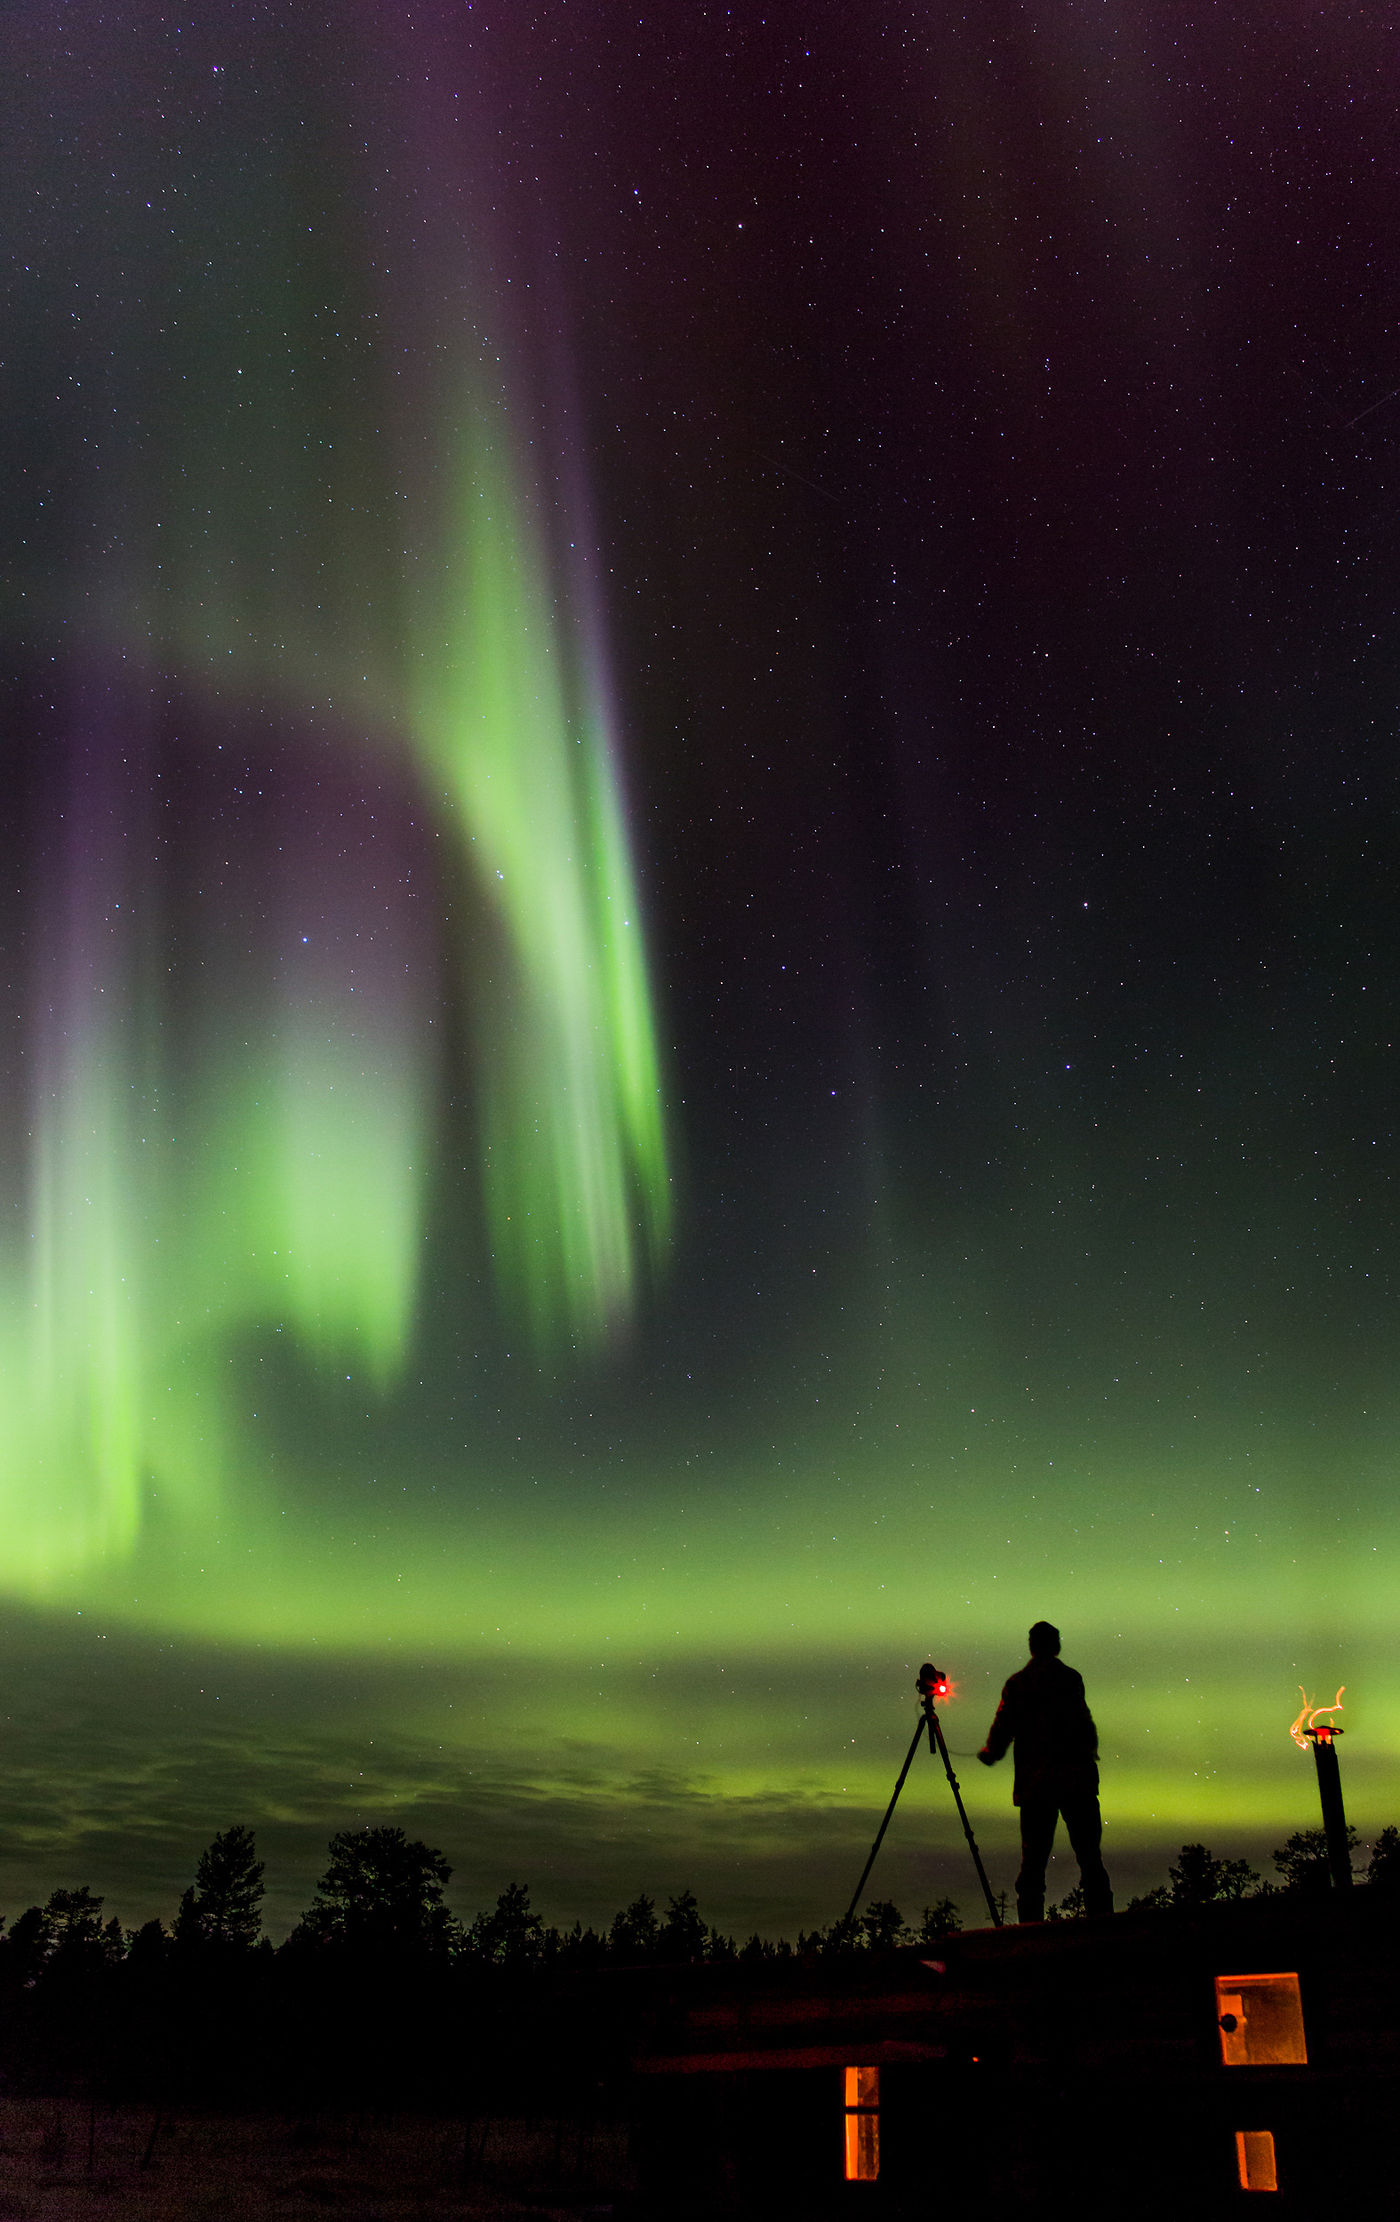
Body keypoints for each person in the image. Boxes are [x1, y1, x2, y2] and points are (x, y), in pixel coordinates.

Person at [978, 1621, 1112, 1923]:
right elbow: (1084, 1723)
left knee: (1034, 1863)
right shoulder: (1070, 1678)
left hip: (1036, 1785)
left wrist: (991, 1752)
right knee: (1090, 1856)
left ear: (1032, 1645)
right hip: (1077, 1780)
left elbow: (1005, 1724)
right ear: (1056, 1645)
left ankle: (1030, 1929)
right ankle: (1103, 1924)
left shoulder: (1018, 1683)